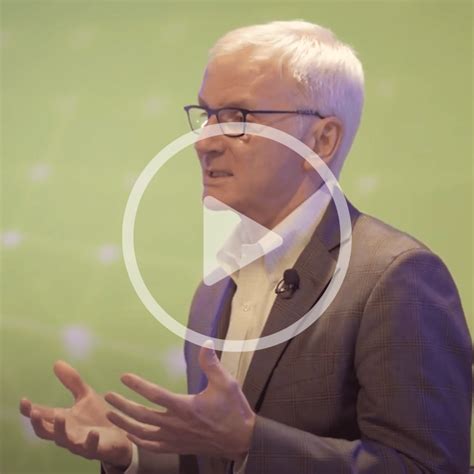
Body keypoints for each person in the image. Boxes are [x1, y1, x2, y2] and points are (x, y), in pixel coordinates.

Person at [20, 20, 472, 474]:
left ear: (322, 140)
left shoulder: (396, 278)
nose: (204, 142)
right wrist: (133, 451)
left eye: (237, 117)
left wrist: (252, 442)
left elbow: (428, 467)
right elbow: (219, 459)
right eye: (206, 114)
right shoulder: (214, 289)